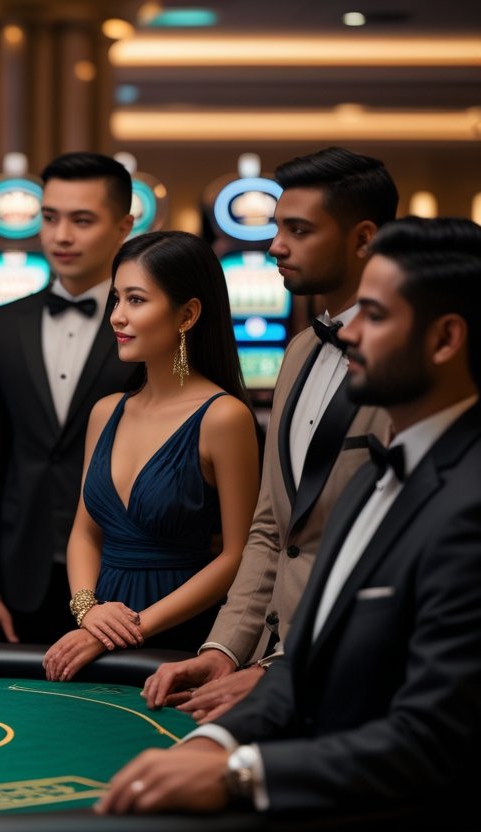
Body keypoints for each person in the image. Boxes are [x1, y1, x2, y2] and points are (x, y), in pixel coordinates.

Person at [95, 216, 481, 821]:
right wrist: (211, 740)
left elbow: (434, 734)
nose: (348, 337)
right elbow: (311, 660)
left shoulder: (468, 502)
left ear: (445, 338)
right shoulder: (372, 480)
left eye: (375, 317)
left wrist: (239, 772)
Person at [141, 148, 397, 723]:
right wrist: (225, 648)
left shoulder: (405, 366)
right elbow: (271, 530)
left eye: (299, 230)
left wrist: (280, 669)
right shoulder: (301, 350)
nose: (276, 245)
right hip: (266, 663)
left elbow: (388, 554)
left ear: (363, 239)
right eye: (278, 227)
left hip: (354, 676)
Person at [42, 230, 260, 681]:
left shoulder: (224, 417)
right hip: (98, 624)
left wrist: (129, 627)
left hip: (178, 633)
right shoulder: (106, 411)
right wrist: (87, 611)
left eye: (136, 300)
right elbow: (85, 532)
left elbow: (238, 555)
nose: (117, 317)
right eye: (116, 299)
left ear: (188, 314)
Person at [0, 152, 137, 645]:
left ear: (124, 225)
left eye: (82, 220)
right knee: (12, 709)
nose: (61, 236)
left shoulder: (150, 325)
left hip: (125, 578)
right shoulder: (2, 323)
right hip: (20, 580)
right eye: (50, 217)